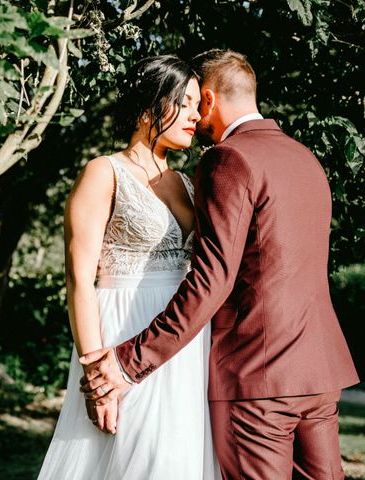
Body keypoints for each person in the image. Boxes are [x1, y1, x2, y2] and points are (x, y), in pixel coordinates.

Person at [79, 49, 360, 479]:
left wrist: (128, 362)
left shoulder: (228, 159)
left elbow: (213, 278)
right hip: (318, 373)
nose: (194, 116)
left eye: (195, 102)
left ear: (208, 100)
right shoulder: (306, 159)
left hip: (258, 376)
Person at [37, 55, 220, 479]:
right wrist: (95, 377)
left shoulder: (188, 182)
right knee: (135, 461)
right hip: (123, 329)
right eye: (187, 102)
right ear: (150, 106)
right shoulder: (103, 172)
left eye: (198, 105)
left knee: (178, 459)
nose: (197, 115)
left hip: (183, 340)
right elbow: (79, 279)